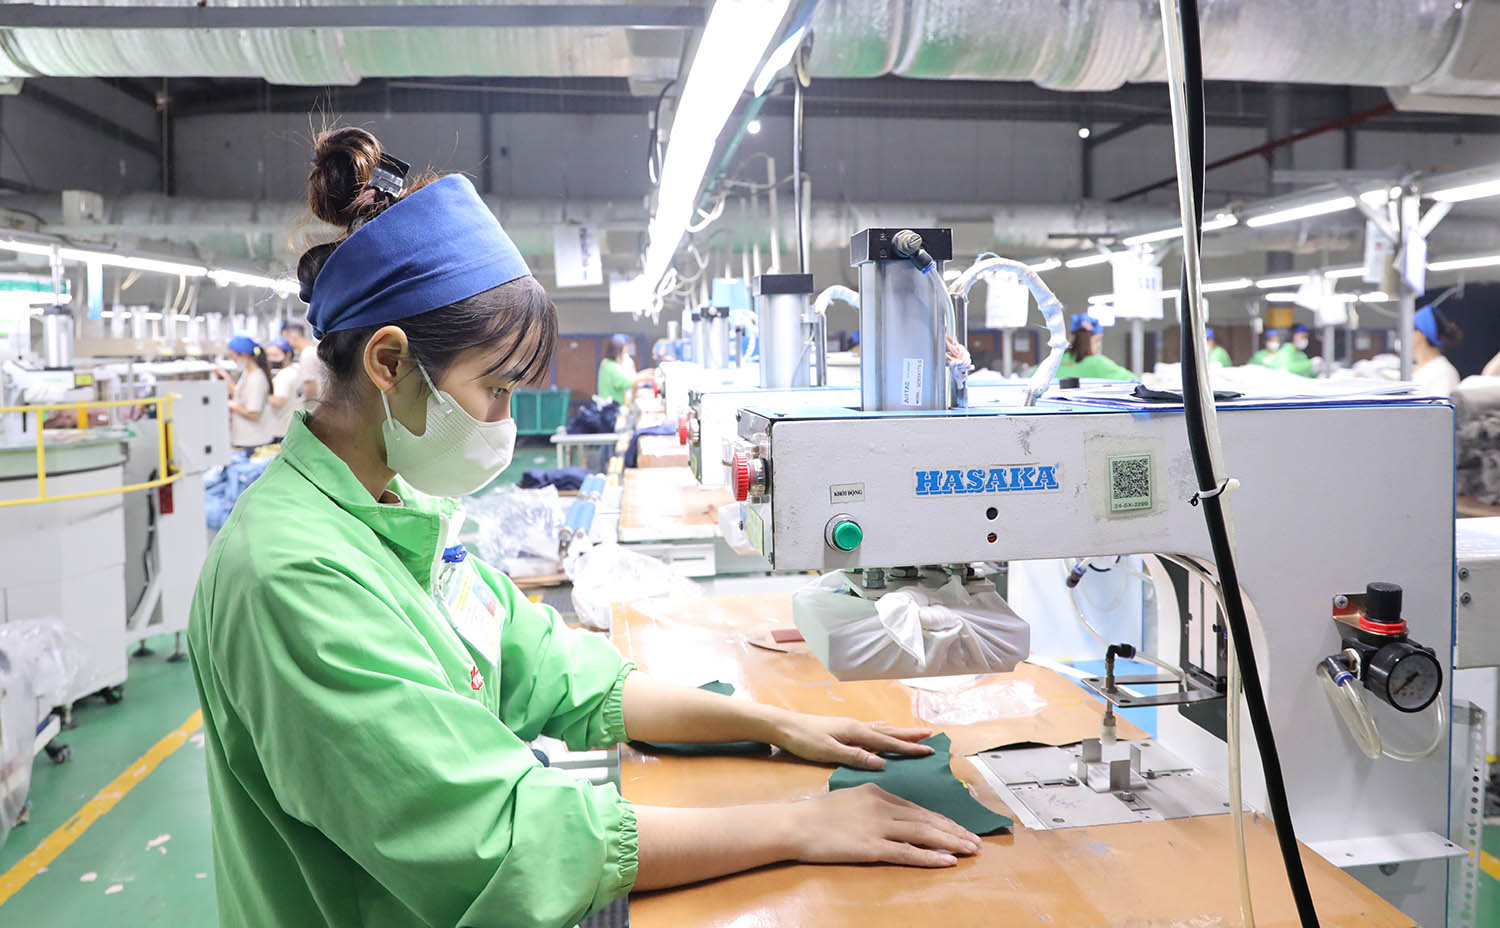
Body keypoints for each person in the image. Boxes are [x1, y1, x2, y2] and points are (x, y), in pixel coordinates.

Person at [189, 127, 978, 928]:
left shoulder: (395, 512)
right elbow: (503, 842)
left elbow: (556, 672)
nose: (504, 421)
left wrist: (771, 722)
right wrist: (800, 825)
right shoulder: (292, 575)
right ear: (389, 363)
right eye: (495, 389)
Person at [212, 334, 276, 451]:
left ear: (244, 354)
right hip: (245, 439)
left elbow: (254, 414)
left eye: (232, 355)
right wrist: (226, 378)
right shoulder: (248, 373)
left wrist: (230, 405)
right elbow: (239, 397)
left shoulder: (256, 379)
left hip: (253, 441)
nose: (232, 359)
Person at [1056, 314, 1134, 381]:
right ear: (1094, 339)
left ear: (1071, 337)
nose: (1098, 345)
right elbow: (1133, 380)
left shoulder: (1056, 361)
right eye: (1098, 340)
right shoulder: (1098, 363)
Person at [1410, 304, 1463, 397]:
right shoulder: (1416, 368)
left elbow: (1442, 406)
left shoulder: (1442, 372)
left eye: (1409, 329)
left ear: (1420, 334)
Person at [596, 333, 655, 404]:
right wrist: (644, 378)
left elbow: (628, 377)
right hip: (611, 405)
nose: (626, 349)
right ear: (618, 350)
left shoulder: (606, 363)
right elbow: (626, 382)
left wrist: (643, 374)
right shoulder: (612, 367)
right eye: (624, 347)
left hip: (610, 402)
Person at [265, 336, 304, 442]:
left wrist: (260, 395)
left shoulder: (284, 375)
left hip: (282, 431)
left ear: (288, 354)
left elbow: (279, 401)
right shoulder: (296, 369)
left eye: (275, 355)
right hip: (294, 428)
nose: (271, 359)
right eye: (268, 355)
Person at [280, 320, 326, 407]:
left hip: (315, 407)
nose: (285, 342)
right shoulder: (313, 350)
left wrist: (307, 410)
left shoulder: (307, 355)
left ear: (293, 335)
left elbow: (310, 386)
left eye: (284, 337)